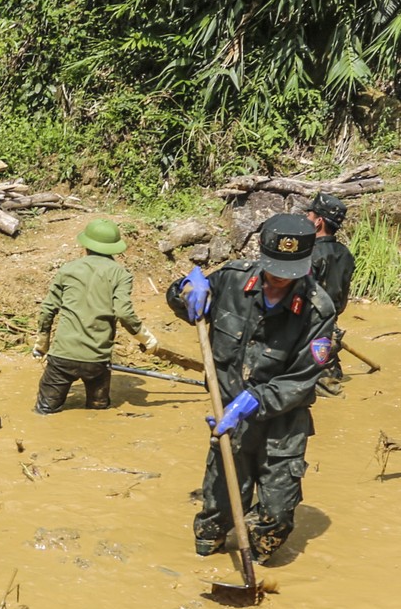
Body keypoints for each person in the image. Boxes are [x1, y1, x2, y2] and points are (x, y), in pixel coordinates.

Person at [166, 212, 337, 560]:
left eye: (287, 275)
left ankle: (256, 561)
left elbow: (301, 380)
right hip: (229, 416)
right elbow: (184, 303)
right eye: (273, 272)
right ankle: (207, 561)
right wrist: (185, 286)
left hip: (282, 425)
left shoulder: (318, 310)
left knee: (275, 520)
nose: (278, 282)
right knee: (215, 517)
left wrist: (253, 400)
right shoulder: (231, 280)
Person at [30, 220, 158, 412]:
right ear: (114, 248)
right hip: (98, 360)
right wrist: (147, 339)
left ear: (86, 245)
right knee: (98, 410)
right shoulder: (121, 274)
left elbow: (48, 309)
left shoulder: (67, 270)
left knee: (44, 411)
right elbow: (123, 312)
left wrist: (42, 344)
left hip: (63, 356)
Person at [303, 193, 355, 394]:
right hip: (331, 323)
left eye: (309, 216)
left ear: (318, 222)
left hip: (310, 326)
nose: (306, 220)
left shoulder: (309, 254)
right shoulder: (345, 254)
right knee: (328, 372)